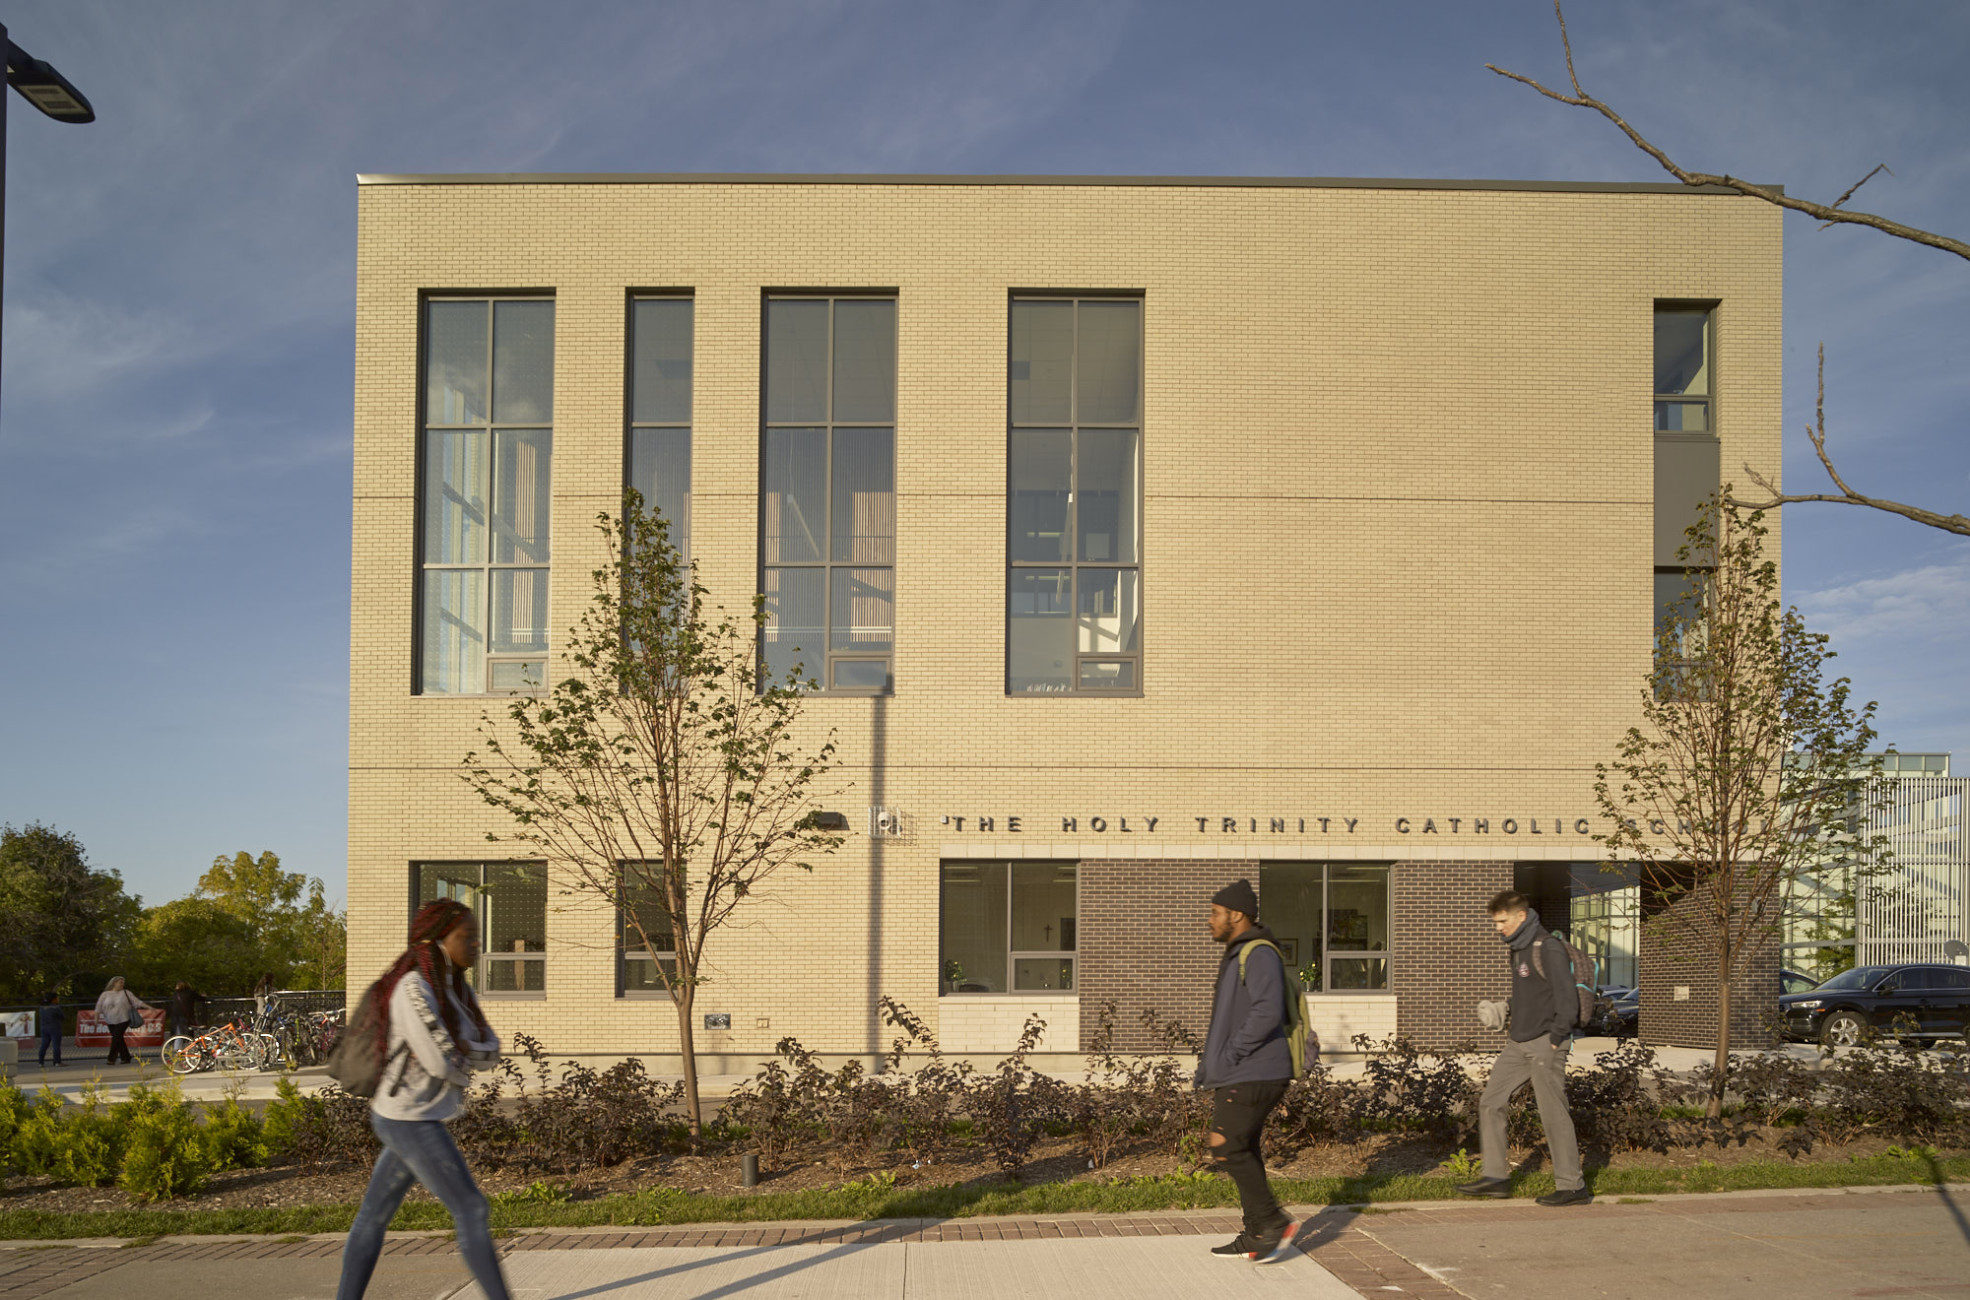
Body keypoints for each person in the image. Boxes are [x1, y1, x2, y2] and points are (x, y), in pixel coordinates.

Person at [337, 899, 507, 1300]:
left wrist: (463, 1049)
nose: (476, 944)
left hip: (418, 1115)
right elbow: (439, 1060)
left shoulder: (454, 989)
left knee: (374, 1216)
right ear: (439, 939)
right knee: (472, 1208)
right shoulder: (413, 987)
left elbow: (491, 1048)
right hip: (406, 1118)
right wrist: (465, 1051)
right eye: (467, 936)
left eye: (477, 936)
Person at [1456, 889, 1590, 1206]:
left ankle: (1572, 1186)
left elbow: (1567, 1000)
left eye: (1501, 921)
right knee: (1491, 1102)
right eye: (1495, 921)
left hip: (1546, 1042)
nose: (1497, 927)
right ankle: (1496, 1178)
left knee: (1553, 1113)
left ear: (1520, 916)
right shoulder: (1518, 949)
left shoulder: (1549, 947)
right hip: (1517, 1043)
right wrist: (1505, 1008)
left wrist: (1556, 1037)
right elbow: (1532, 994)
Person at [1196, 878, 1299, 1264]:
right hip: (1242, 1070)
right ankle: (1258, 1231)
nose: (1210, 920)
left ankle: (1272, 1221)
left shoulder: (1258, 953)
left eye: (1215, 913)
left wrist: (1231, 1054)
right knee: (1245, 1148)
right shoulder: (1241, 952)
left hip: (1256, 1069)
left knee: (1225, 1144)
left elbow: (1267, 1011)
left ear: (1236, 915)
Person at [94, 976, 150, 1065]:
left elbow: (137, 1002)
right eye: (120, 982)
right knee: (119, 1039)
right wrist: (96, 1019)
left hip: (123, 1019)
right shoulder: (105, 994)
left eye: (123, 983)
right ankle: (126, 1057)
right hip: (110, 1020)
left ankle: (111, 1058)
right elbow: (98, 1007)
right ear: (114, 983)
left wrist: (149, 1007)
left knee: (116, 1038)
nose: (122, 984)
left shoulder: (126, 993)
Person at [35, 992, 64, 1067]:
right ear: (53, 1000)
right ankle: (57, 1062)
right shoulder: (55, 1007)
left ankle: (40, 1062)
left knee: (44, 1045)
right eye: (57, 998)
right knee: (56, 1045)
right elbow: (62, 1017)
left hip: (44, 1028)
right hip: (55, 1028)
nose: (58, 999)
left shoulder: (42, 1007)